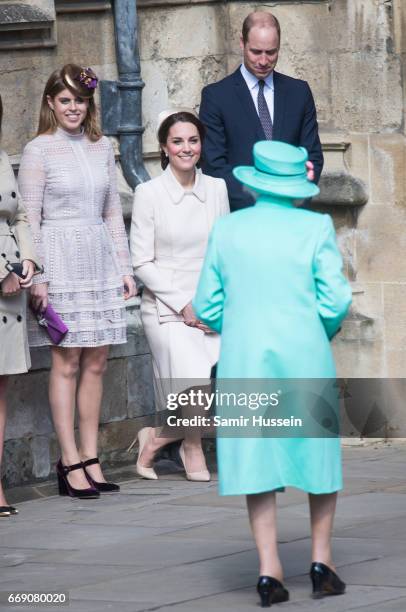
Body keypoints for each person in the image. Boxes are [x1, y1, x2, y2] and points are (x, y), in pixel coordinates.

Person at [193, 141, 352, 605]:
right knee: (318, 458)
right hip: (305, 354)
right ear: (295, 184)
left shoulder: (228, 230)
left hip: (248, 358)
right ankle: (322, 562)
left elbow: (207, 304)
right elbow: (336, 299)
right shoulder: (316, 226)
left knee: (256, 461)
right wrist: (314, 328)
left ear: (256, 180)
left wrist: (241, 327)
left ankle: (269, 570)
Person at [18, 64, 136, 499]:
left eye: (80, 100)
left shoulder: (102, 146)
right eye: (65, 100)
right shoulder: (38, 150)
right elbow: (29, 217)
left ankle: (91, 456)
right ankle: (68, 461)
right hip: (60, 258)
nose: (73, 108)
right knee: (66, 359)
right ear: (51, 102)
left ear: (89, 105)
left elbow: (111, 213)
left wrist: (124, 269)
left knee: (97, 360)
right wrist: (39, 277)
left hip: (99, 256)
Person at [130, 110, 229, 481]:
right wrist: (183, 304)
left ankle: (159, 441)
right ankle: (185, 444)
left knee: (200, 390)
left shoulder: (216, 189)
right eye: (177, 141)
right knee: (194, 385)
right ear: (164, 148)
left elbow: (224, 252)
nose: (186, 148)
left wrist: (211, 302)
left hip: (208, 303)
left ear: (201, 145)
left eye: (193, 140)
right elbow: (142, 261)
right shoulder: (148, 193)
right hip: (165, 307)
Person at [199, 11, 323, 211]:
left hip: (291, 213)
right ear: (242, 43)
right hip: (241, 216)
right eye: (256, 52)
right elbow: (214, 165)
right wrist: (262, 205)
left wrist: (290, 201)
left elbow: (312, 156)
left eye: (271, 52)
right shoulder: (216, 97)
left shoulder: (299, 93)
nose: (264, 61)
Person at [0, 94, 40, 516]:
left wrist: (28, 260)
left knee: (1, 390)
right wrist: (3, 272)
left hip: (12, 284)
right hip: (2, 281)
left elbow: (20, 214)